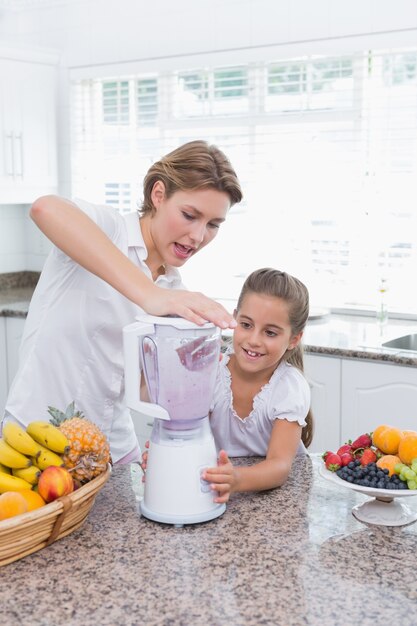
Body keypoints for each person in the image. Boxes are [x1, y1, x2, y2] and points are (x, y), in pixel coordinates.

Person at [3, 140, 243, 464]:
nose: (199, 236)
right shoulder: (110, 229)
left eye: (213, 224)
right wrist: (150, 294)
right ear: (159, 195)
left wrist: (188, 371)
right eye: (190, 215)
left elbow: (141, 389)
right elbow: (45, 208)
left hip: (112, 449)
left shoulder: (173, 286)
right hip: (38, 440)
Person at [202, 267, 313, 502]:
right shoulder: (211, 371)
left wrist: (237, 479)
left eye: (270, 333)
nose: (254, 340)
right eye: (246, 325)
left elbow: (280, 466)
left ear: (294, 339)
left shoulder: (288, 387)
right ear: (234, 318)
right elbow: (194, 436)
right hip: (217, 487)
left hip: (278, 498)